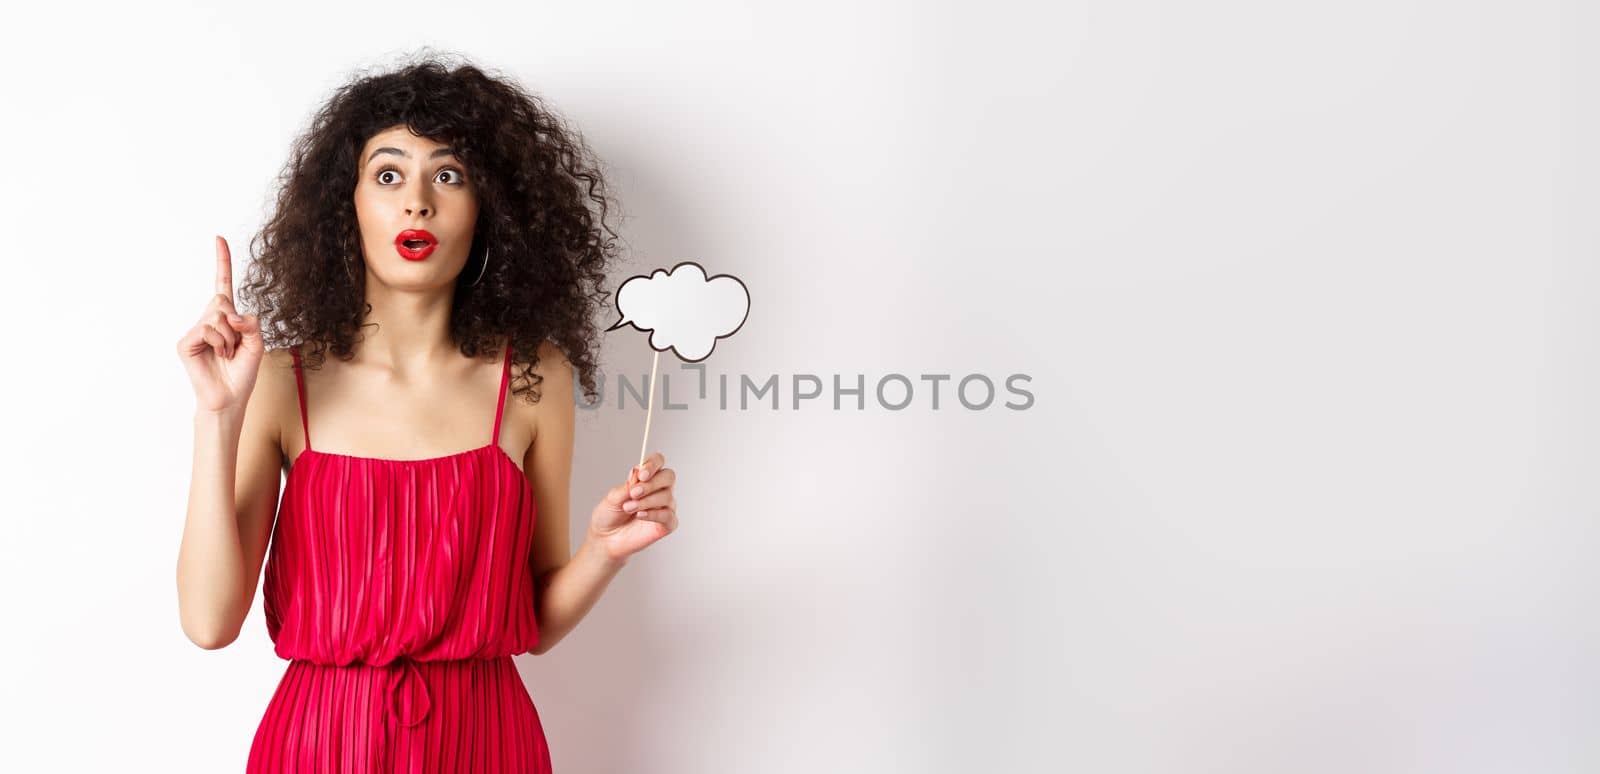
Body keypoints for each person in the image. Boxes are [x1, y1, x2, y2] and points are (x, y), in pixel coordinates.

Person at [174, 54, 679, 772]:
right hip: (321, 746)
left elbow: (532, 625)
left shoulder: (533, 379)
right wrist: (217, 417)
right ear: (344, 204)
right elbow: (207, 622)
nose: (418, 203)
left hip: (488, 743)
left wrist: (603, 551)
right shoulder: (282, 381)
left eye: (449, 175)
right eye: (388, 175)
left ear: (490, 207)